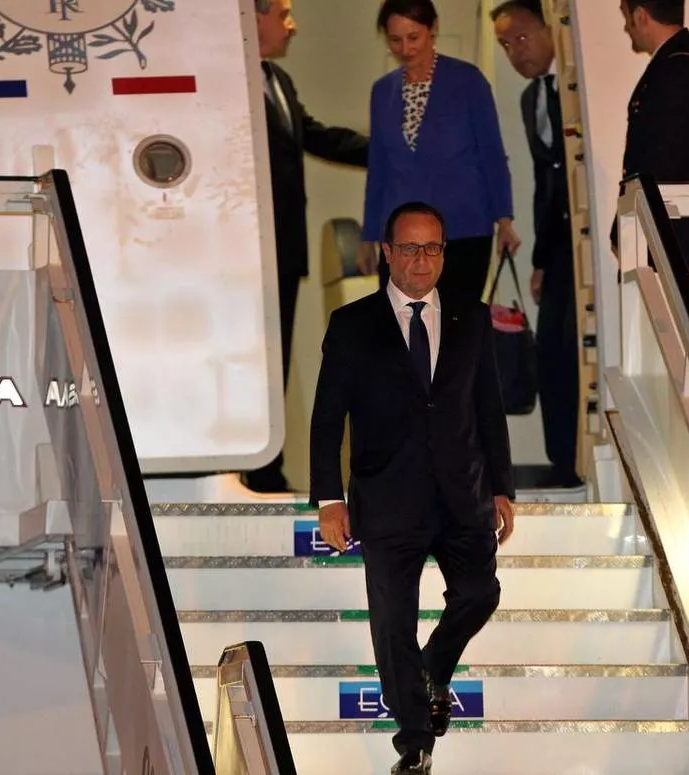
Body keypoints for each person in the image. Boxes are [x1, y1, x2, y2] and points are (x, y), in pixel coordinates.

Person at [309, 201, 515, 774]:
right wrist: (330, 499)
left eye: (432, 248)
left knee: (480, 592)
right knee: (391, 621)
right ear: (386, 253)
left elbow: (488, 410)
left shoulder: (472, 319)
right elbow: (328, 418)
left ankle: (431, 669)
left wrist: (502, 486)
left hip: (463, 495)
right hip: (386, 497)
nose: (421, 260)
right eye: (409, 248)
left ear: (444, 253)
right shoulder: (352, 324)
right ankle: (415, 742)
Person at [245, 0, 369, 493]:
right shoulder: (226, 83)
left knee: (277, 362)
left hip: (285, 250)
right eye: (283, 13)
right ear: (251, 17)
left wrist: (387, 150)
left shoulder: (277, 80)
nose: (292, 25)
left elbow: (315, 136)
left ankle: (265, 467)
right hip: (246, 254)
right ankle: (250, 467)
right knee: (250, 364)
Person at [357, 0, 521, 310]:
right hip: (401, 234)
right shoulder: (382, 92)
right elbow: (378, 168)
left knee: (455, 331)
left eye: (413, 37)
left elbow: (492, 154)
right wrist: (369, 235)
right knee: (403, 329)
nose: (405, 48)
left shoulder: (468, 81)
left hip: (462, 229)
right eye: (395, 40)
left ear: (433, 30)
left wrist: (504, 219)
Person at [491, 0, 581, 487]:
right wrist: (541, 259)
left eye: (522, 38)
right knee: (548, 355)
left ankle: (575, 462)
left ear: (551, 30)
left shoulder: (579, 89)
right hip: (557, 251)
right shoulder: (532, 100)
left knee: (570, 350)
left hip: (586, 249)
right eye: (506, 45)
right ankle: (561, 462)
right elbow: (545, 187)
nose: (514, 52)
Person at [611, 0, 689, 272]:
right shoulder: (681, 64)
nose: (626, 28)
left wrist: (629, 222)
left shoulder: (679, 69)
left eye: (626, 18)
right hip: (678, 227)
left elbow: (662, 158)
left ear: (641, 16)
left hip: (680, 234)